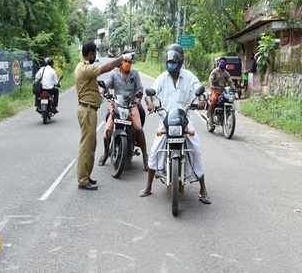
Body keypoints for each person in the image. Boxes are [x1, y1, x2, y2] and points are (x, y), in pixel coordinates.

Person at [139, 44, 211, 204]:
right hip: (166, 119)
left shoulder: (189, 77)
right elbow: (150, 94)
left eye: (174, 62)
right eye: (169, 62)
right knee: (156, 149)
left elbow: (200, 90)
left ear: (180, 62)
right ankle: (148, 187)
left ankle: (203, 189)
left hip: (184, 120)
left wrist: (201, 100)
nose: (171, 65)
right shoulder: (162, 78)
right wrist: (150, 103)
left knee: (196, 149)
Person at [75, 41, 127, 190]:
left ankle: (86, 176)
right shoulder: (84, 68)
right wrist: (121, 58)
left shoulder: (83, 67)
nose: (95, 56)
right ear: (90, 53)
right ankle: (82, 180)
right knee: (86, 146)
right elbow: (107, 67)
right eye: (94, 53)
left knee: (91, 146)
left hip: (90, 109)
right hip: (87, 110)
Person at [98, 52, 148, 171]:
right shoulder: (114, 75)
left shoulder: (134, 74)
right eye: (125, 61)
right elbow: (105, 85)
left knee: (138, 129)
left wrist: (137, 99)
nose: (128, 64)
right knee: (108, 130)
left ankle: (145, 157)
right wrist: (103, 90)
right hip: (117, 104)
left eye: (130, 62)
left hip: (131, 105)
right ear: (120, 63)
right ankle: (106, 153)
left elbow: (140, 88)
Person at [207, 57, 235, 127]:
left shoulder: (226, 73)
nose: (222, 63)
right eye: (221, 62)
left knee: (229, 100)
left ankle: (225, 114)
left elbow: (230, 81)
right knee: (214, 100)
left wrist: (234, 88)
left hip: (223, 91)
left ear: (225, 64)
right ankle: (210, 116)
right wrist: (211, 86)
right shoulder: (215, 71)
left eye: (224, 62)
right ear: (219, 63)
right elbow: (210, 79)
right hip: (215, 90)